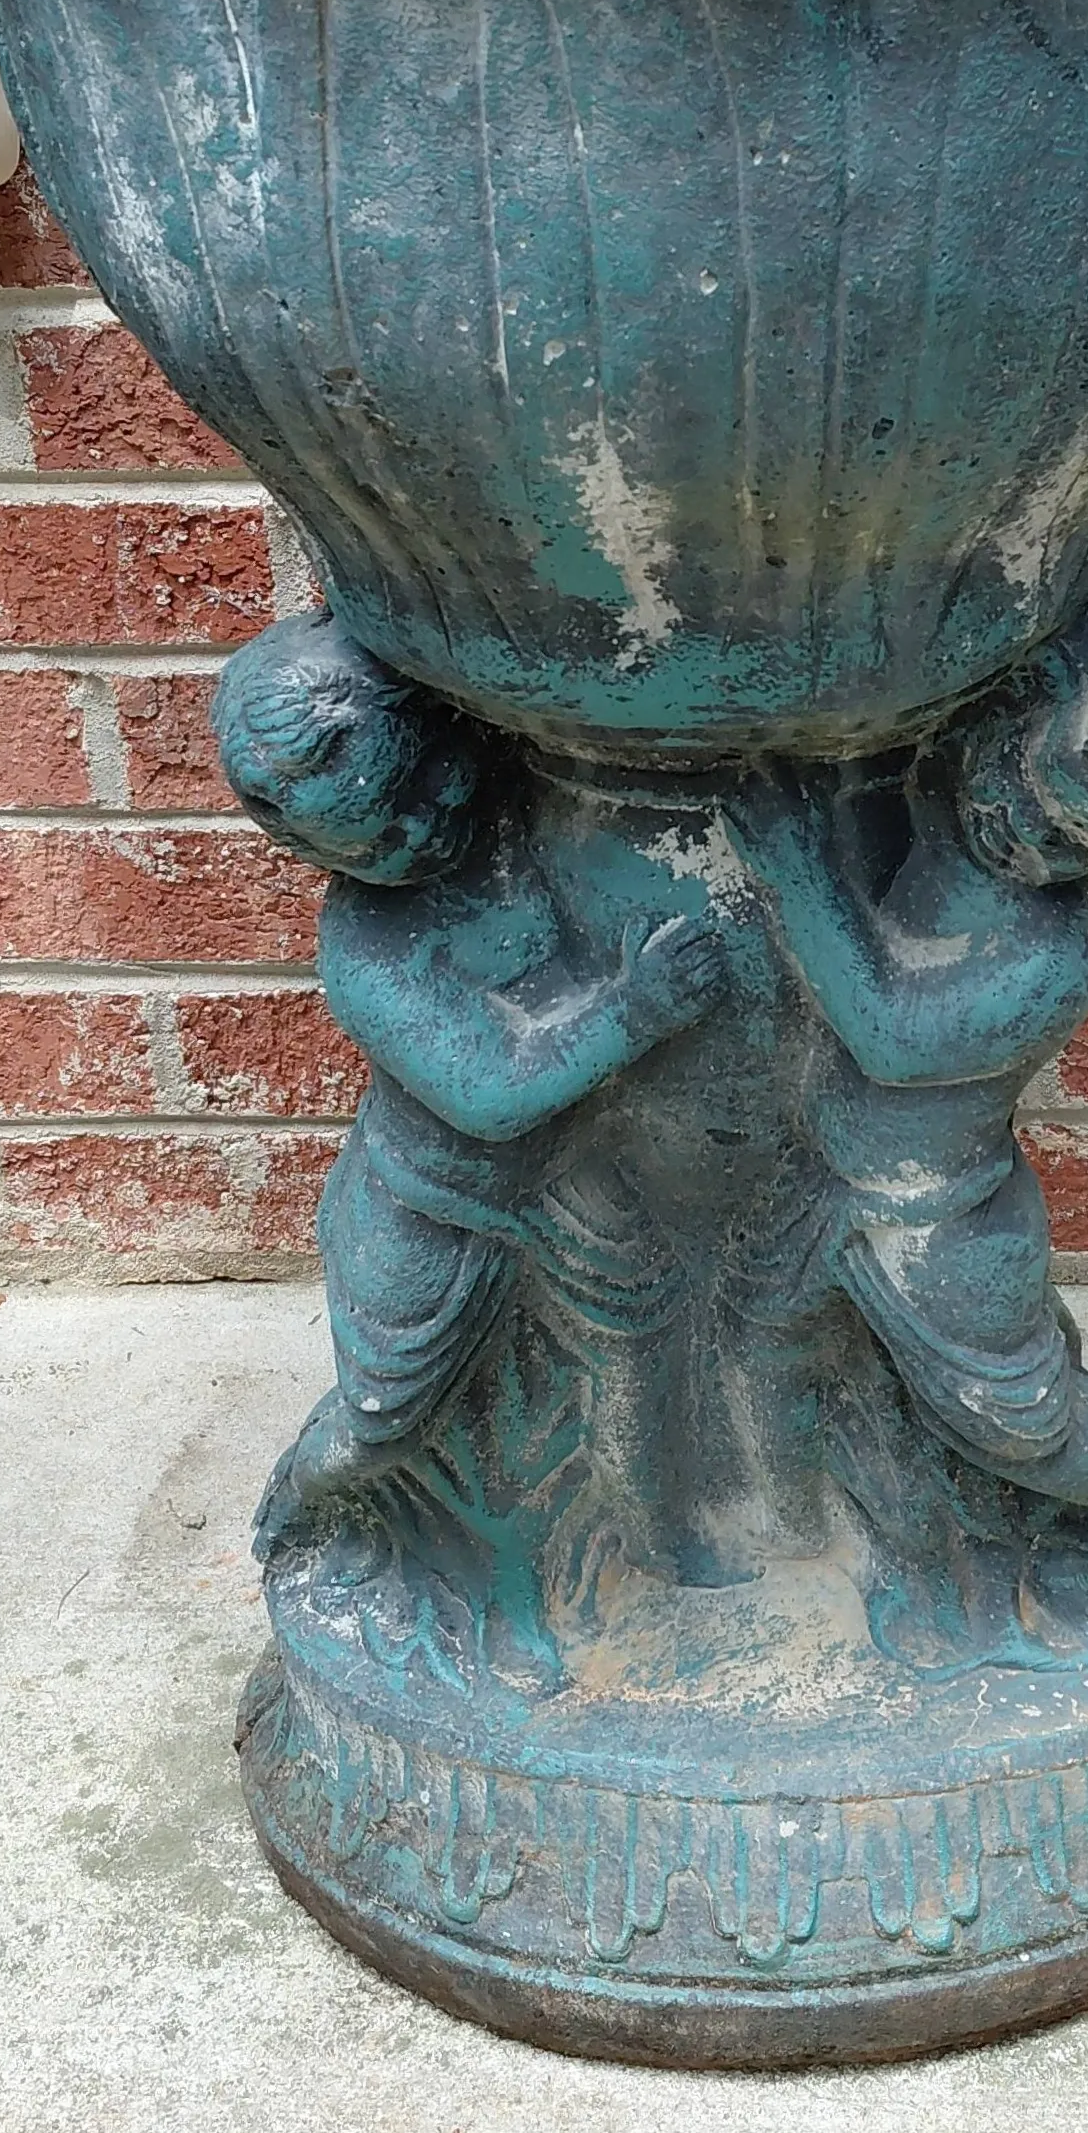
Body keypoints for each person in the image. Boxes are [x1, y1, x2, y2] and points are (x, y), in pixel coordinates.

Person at [211, 611, 728, 1553]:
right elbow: (490, 1092)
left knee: (642, 1366)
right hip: (431, 1204)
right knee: (386, 1410)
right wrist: (632, 1010)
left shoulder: (524, 813)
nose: (419, 830)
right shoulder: (369, 946)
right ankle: (312, 1501)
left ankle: (659, 1547)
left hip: (577, 1183)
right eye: (370, 843)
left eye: (423, 786)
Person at [726, 585, 1088, 1518]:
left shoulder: (1048, 950)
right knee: (759, 1358)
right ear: (1013, 717)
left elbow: (889, 1034)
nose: (1027, 841)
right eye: (1031, 792)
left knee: (1020, 1421)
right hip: (824, 1189)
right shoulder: (945, 797)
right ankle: (800, 1533)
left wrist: (798, 875)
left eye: (1071, 846)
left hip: (938, 1224)